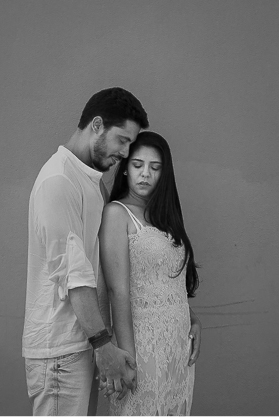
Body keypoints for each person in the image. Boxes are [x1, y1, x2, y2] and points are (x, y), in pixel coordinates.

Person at [23, 87, 149, 415]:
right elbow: (73, 275)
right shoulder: (59, 180)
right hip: (60, 351)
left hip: (82, 343)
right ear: (97, 125)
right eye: (122, 140)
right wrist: (103, 346)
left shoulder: (91, 181)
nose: (125, 152)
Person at [98, 131, 201, 416]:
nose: (145, 174)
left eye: (155, 168)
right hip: (143, 344)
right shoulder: (117, 213)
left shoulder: (165, 217)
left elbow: (167, 278)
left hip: (177, 344)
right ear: (125, 169)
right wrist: (127, 358)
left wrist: (192, 318)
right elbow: (117, 290)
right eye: (137, 165)